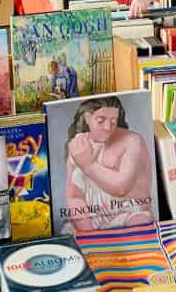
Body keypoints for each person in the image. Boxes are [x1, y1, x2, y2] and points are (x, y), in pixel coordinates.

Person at [62, 95, 155, 233]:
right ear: (87, 118)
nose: (108, 127)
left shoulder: (132, 141)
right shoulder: (78, 145)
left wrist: (89, 165)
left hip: (129, 211)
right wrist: (87, 229)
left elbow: (121, 188)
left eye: (113, 121)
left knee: (140, 223)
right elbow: (74, 196)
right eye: (101, 121)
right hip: (93, 217)